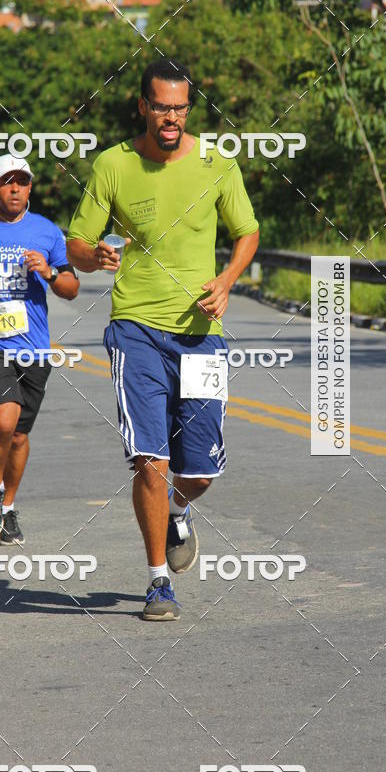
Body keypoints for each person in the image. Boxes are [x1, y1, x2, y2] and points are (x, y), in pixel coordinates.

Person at [67, 59, 260, 621]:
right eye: (161, 106)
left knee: (197, 471)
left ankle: (180, 509)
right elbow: (77, 242)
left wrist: (226, 281)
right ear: (143, 106)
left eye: (180, 107)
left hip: (202, 336)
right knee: (149, 458)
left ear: (187, 109)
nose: (171, 117)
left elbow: (247, 232)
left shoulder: (216, 164)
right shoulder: (114, 165)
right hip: (135, 330)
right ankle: (158, 582)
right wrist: (94, 255)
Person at [0, 155, 80, 545]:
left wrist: (50, 273)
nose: (14, 188)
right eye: (7, 182)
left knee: (19, 437)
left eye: (21, 182)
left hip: (35, 348)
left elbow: (71, 289)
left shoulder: (47, 231)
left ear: (29, 188)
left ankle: (6, 507)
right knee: (4, 421)